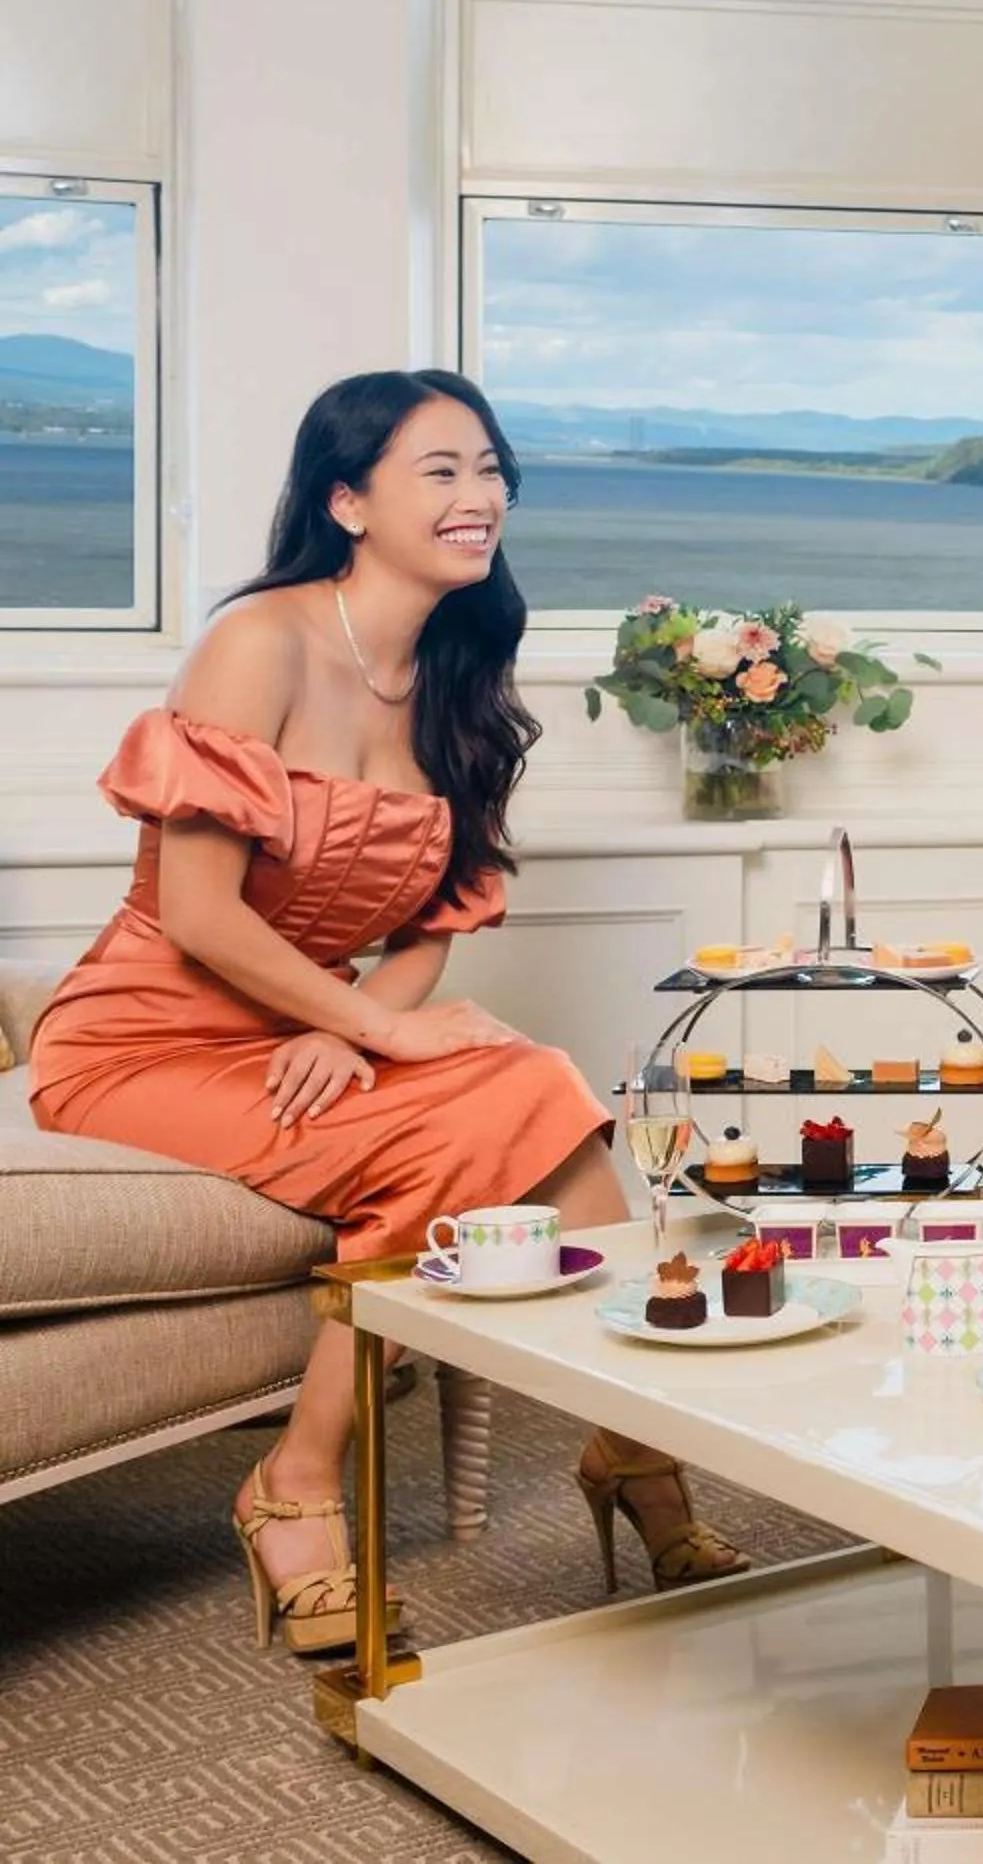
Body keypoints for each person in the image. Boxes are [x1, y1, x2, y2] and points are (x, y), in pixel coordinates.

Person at [29, 371, 748, 1655]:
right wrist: (380, 1028)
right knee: (495, 1098)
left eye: (491, 468)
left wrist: (353, 1019)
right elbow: (196, 911)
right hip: (137, 1043)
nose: (482, 497)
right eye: (441, 471)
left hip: (293, 1033)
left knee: (528, 1087)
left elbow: (439, 914)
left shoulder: (459, 662)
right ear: (348, 499)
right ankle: (308, 1483)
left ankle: (631, 1442)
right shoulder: (261, 642)